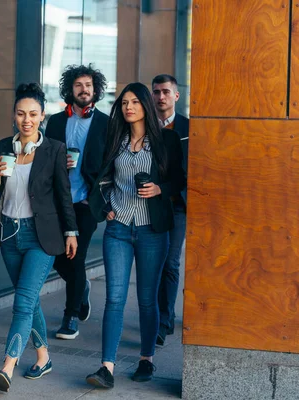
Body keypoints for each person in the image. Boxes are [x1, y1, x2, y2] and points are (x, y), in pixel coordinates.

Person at [86, 82, 185, 388]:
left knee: (146, 299)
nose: (128, 107)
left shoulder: (166, 141)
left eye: (134, 102)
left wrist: (159, 189)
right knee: (114, 299)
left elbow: (179, 179)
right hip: (118, 228)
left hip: (151, 230)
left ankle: (146, 359)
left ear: (145, 105)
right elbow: (97, 174)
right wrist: (103, 208)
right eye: (124, 102)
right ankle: (106, 367)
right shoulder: (115, 139)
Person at [0, 83, 78, 392]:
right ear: (13, 116)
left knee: (22, 302)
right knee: (30, 299)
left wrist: (71, 232)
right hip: (10, 234)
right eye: (21, 114)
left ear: (42, 116)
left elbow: (64, 195)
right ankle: (43, 356)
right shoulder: (2, 147)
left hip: (41, 237)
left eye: (34, 114)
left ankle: (7, 365)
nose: (27, 120)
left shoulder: (53, 149)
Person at [45, 64, 109, 340]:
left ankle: (70, 317)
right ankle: (80, 287)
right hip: (58, 202)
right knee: (58, 257)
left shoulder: (106, 123)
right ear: (70, 90)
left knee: (77, 256)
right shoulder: (57, 121)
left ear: (95, 90)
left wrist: (105, 200)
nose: (84, 90)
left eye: (88, 86)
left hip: (86, 202)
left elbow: (111, 165)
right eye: (78, 85)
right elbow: (44, 157)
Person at [152, 74, 189, 345]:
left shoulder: (189, 127)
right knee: (154, 263)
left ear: (176, 96)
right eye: (156, 92)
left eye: (166, 92)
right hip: (150, 205)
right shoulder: (145, 126)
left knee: (171, 262)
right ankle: (157, 316)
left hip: (178, 206)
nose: (161, 96)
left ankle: (164, 322)